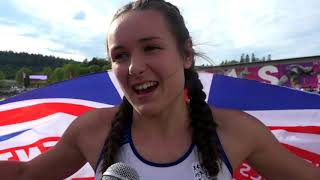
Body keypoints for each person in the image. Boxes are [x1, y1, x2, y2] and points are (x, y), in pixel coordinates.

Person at [1, 0, 320, 179]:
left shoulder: (237, 130)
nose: (133, 67)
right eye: (120, 56)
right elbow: (24, 174)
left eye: (151, 48)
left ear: (185, 55)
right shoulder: (91, 130)